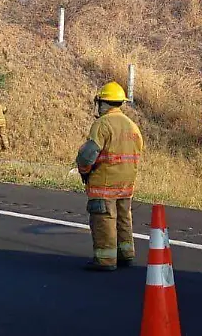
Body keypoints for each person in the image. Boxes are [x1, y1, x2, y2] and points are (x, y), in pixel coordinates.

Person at [75, 81, 143, 271]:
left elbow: (87, 154)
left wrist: (84, 171)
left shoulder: (102, 124)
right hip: (126, 184)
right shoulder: (132, 126)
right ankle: (126, 254)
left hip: (104, 184)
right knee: (123, 219)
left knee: (104, 219)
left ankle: (105, 260)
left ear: (102, 102)